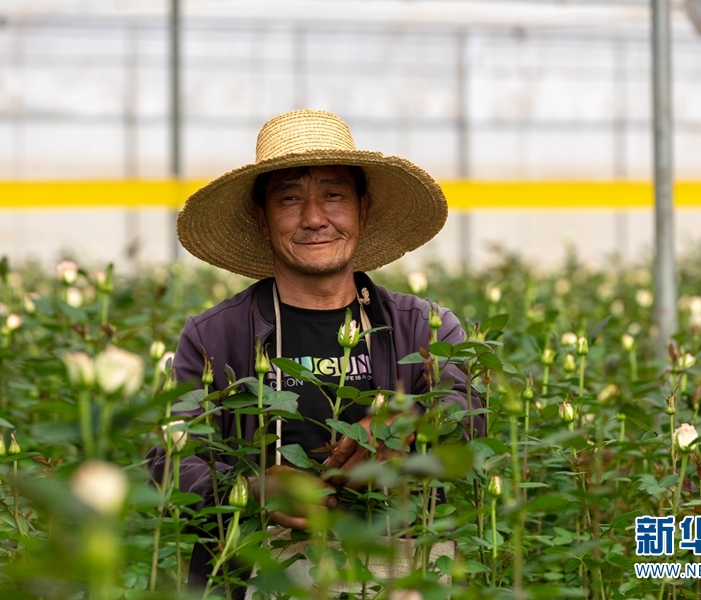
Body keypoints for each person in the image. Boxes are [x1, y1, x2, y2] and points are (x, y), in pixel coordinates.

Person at [148, 109, 485, 595]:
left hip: (402, 571)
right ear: (263, 220)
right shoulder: (215, 336)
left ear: (362, 211)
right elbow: (170, 458)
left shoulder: (421, 327)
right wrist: (250, 487)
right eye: (289, 199)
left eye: (333, 195)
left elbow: (471, 414)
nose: (313, 218)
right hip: (257, 572)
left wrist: (411, 424)